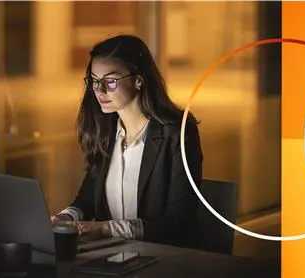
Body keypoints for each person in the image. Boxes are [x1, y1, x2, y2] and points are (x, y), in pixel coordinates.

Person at [50, 35, 203, 248]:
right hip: (111, 256)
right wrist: (65, 218)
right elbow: (87, 200)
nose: (99, 91)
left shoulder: (178, 133)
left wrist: (106, 228)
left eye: (110, 82)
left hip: (164, 259)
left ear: (138, 80)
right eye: (94, 81)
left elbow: (179, 221)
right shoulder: (106, 131)